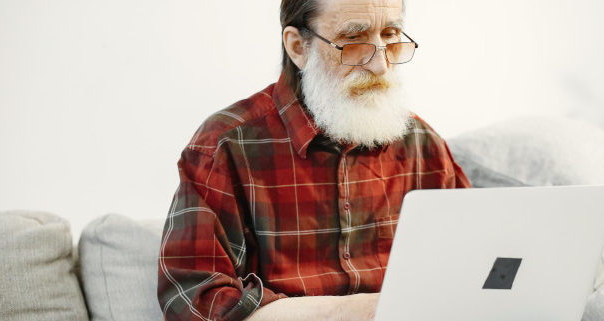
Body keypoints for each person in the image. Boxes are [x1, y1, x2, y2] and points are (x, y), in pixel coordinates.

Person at [157, 0, 470, 320]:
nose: (381, 66)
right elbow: (194, 299)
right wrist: (365, 311)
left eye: (390, 34)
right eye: (354, 40)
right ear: (298, 47)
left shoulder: (422, 144)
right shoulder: (224, 147)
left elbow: (476, 263)